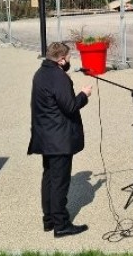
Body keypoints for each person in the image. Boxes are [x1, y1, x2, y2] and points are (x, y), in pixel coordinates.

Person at [28, 42, 94, 237]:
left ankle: (49, 219)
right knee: (59, 182)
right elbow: (71, 106)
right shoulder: (58, 77)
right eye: (69, 58)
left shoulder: (41, 73)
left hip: (46, 136)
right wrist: (84, 94)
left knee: (49, 178)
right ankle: (61, 224)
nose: (70, 62)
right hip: (58, 138)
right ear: (62, 59)